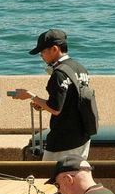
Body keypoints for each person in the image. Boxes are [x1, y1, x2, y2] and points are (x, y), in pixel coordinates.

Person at [9, 30, 93, 162]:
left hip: (64, 138)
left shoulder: (59, 73)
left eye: (42, 52)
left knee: (48, 176)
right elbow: (69, 101)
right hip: (82, 134)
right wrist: (42, 105)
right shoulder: (80, 68)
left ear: (54, 49)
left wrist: (31, 96)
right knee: (77, 175)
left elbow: (55, 109)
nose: (41, 56)